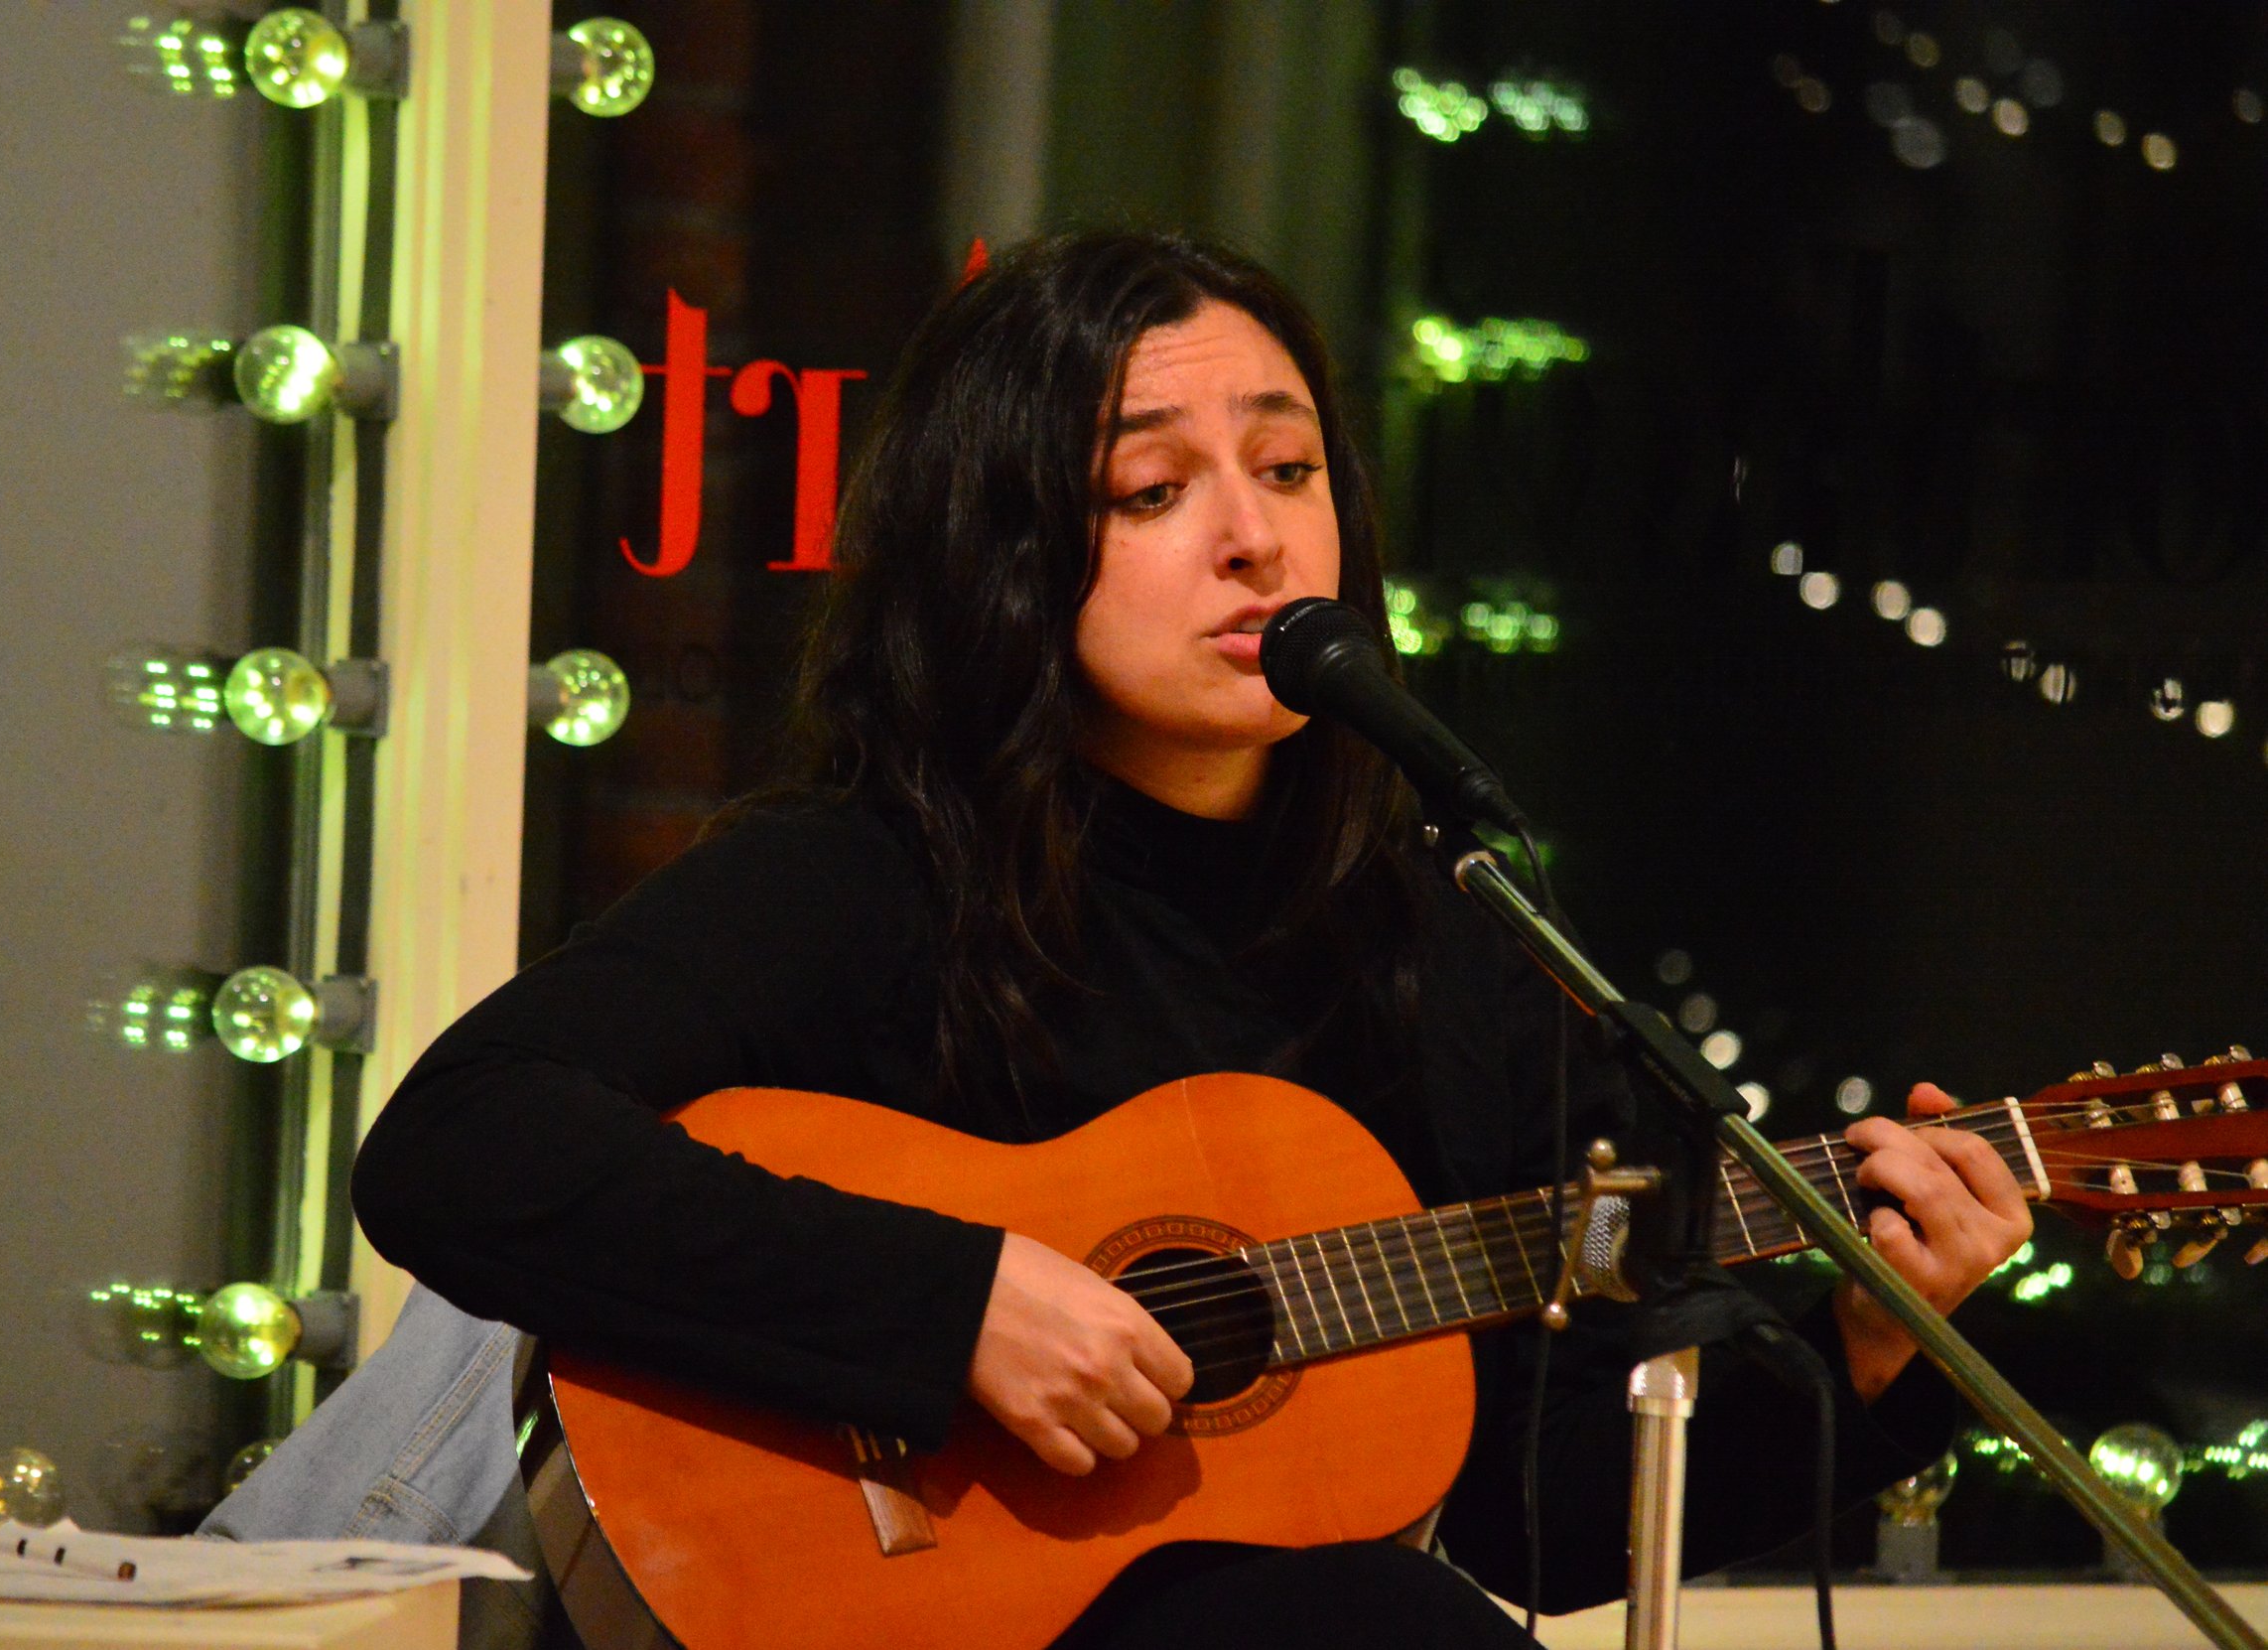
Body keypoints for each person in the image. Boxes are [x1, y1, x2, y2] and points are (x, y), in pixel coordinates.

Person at [350, 230, 2033, 1647]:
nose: (1258, 535)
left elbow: (1538, 1519)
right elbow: (456, 1144)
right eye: (1154, 486)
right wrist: (954, 1308)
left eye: (1291, 469)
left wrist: (1867, 1342)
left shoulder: (1441, 948)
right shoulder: (863, 878)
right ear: (1006, 556)